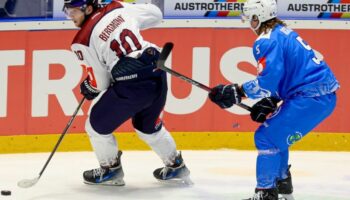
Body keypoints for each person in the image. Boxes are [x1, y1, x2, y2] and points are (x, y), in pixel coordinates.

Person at [208, 0, 339, 199]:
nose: (247, 22)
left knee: (266, 137)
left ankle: (266, 192)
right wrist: (273, 99)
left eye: (248, 18)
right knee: (275, 136)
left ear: (256, 18)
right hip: (318, 95)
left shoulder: (266, 40)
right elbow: (289, 72)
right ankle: (282, 183)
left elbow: (266, 82)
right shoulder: (282, 31)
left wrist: (236, 91)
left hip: (310, 97)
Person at [63, 0, 192, 186]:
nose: (70, 17)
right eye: (67, 12)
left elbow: (101, 82)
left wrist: (90, 87)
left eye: (73, 12)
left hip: (132, 84)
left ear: (89, 9)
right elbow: (156, 14)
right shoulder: (116, 6)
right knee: (147, 126)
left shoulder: (81, 40)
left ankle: (110, 169)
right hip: (156, 68)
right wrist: (127, 17)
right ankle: (176, 165)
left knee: (95, 126)